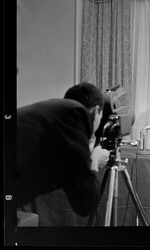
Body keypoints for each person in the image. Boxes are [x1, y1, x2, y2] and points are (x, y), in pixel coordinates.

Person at [16, 82, 110, 217]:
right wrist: (94, 160)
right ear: (96, 110)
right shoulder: (76, 114)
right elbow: (85, 204)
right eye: (101, 117)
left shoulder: (57, 113)